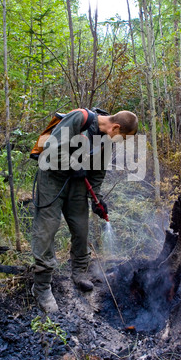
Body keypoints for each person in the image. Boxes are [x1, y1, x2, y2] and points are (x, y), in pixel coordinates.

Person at [31, 108, 138, 313]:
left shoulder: (106, 140)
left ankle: (79, 273)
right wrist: (73, 163)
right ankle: (42, 287)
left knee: (81, 228)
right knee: (47, 228)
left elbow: (98, 172)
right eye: (123, 137)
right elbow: (53, 149)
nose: (121, 142)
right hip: (52, 178)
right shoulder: (80, 118)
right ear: (116, 127)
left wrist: (96, 199)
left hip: (78, 182)